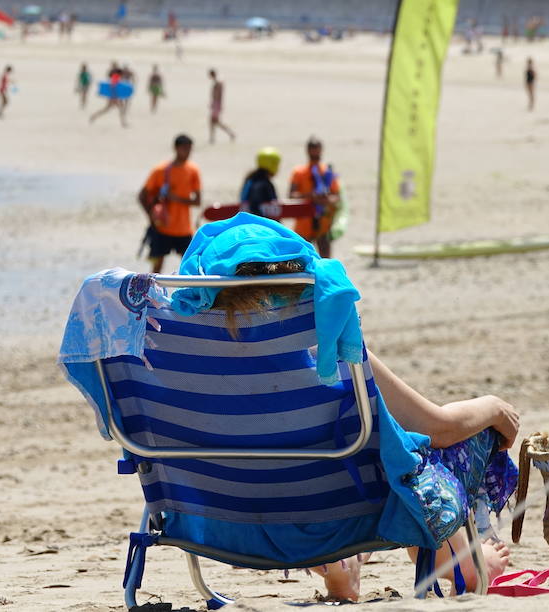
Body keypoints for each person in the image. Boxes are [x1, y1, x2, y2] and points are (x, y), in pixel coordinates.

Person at [184, 230, 518, 601]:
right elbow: (437, 427)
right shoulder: (321, 339)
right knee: (415, 447)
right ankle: (460, 561)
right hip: (339, 515)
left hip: (226, 518)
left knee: (350, 449)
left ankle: (341, 570)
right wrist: (494, 408)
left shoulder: (177, 357)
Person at [138, 134, 202, 271]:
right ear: (176, 148)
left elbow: (197, 202)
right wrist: (151, 216)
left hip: (184, 228)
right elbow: (142, 195)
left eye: (190, 149)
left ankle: (191, 292)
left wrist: (175, 198)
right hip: (162, 227)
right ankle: (152, 292)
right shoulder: (160, 171)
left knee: (191, 267)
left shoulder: (193, 170)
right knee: (156, 268)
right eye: (184, 148)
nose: (187, 152)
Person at [287, 136, 340, 257]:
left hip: (323, 222)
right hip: (304, 222)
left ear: (321, 150)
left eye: (317, 149)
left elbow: (336, 196)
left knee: (325, 259)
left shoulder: (327, 172)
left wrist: (326, 200)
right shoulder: (299, 172)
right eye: (313, 149)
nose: (315, 152)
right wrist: (310, 196)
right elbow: (291, 195)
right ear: (308, 150)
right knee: (303, 260)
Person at [239, 147, 281, 217]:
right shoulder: (262, 183)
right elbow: (255, 207)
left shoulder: (252, 179)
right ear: (272, 164)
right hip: (259, 224)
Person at [208, 69, 236, 143]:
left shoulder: (218, 82)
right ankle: (213, 138)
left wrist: (217, 105)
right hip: (216, 104)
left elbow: (219, 95)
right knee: (213, 122)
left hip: (216, 104)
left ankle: (230, 134)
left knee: (214, 121)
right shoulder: (217, 81)